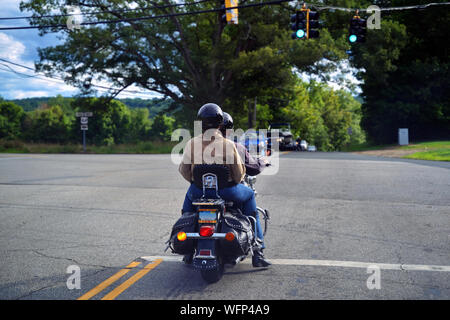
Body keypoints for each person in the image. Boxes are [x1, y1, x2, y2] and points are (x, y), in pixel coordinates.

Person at [179, 103, 271, 267]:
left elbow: (184, 170)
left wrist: (196, 184)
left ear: (200, 123)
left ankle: (187, 251)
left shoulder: (191, 143)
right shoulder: (229, 145)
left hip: (199, 191)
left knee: (187, 205)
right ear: (220, 123)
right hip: (227, 191)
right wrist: (233, 182)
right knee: (249, 195)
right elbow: (238, 174)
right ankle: (258, 251)